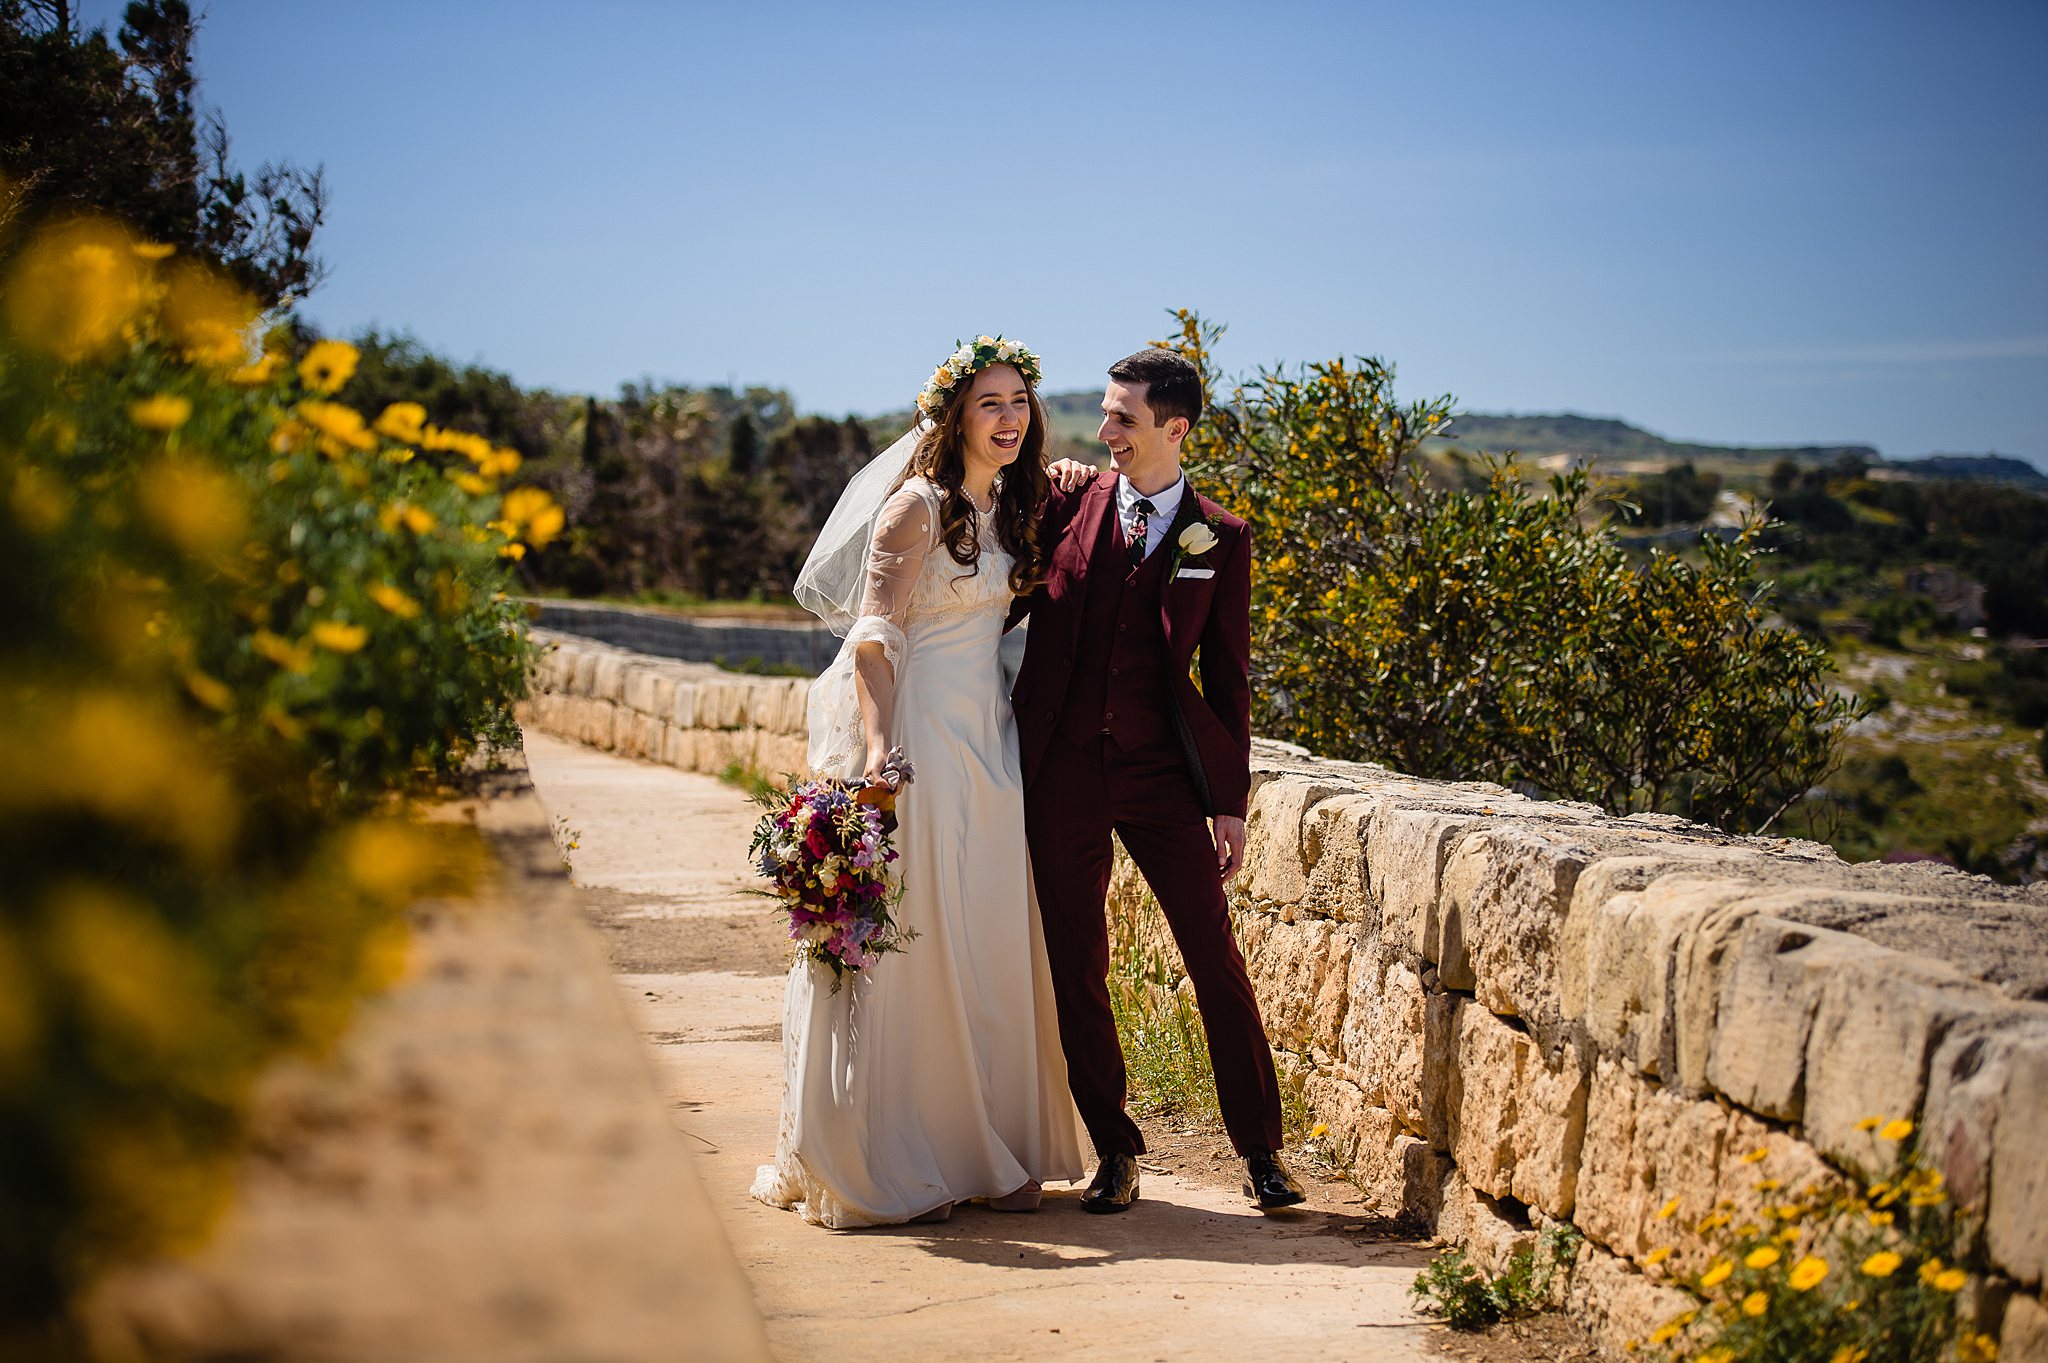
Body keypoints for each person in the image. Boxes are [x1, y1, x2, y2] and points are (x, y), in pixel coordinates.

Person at [751, 337, 1087, 1228]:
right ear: (954, 416)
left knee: (983, 938)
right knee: (920, 937)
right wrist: (875, 753)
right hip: (922, 743)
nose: (1009, 417)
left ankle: (986, 1144)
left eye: (1019, 401)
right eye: (990, 403)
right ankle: (903, 1150)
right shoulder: (915, 508)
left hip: (992, 743)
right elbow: (873, 639)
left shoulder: (1013, 502)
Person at [1010, 347, 1306, 1214]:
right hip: (1060, 768)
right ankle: (1114, 1147)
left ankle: (1261, 1151)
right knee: (1078, 960)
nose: (1104, 431)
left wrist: (1228, 800)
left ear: (1174, 428)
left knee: (1213, 956)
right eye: (1103, 413)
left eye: (1123, 418)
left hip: (1162, 775)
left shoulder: (1224, 536)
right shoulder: (1066, 499)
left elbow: (1230, 679)